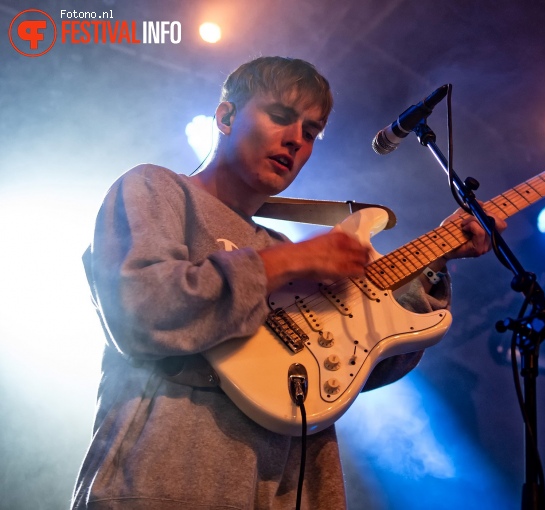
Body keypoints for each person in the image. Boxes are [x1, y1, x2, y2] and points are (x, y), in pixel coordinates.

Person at [72, 56, 506, 509]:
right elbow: (142, 308)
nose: (296, 139)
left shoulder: (280, 243)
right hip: (162, 484)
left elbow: (361, 363)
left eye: (312, 131)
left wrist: (436, 264)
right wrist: (287, 261)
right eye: (280, 116)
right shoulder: (156, 188)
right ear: (226, 116)